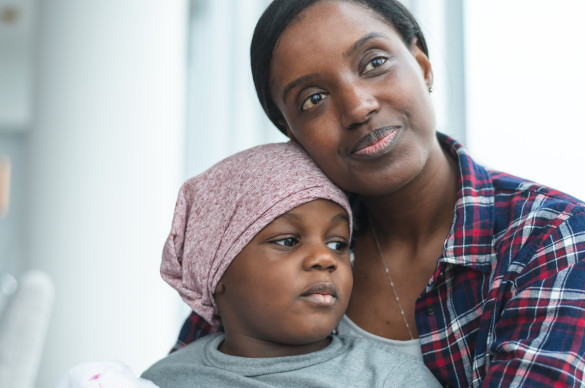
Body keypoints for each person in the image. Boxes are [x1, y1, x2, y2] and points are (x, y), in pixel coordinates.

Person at [173, 0, 585, 387]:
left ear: (423, 65)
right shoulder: (260, 246)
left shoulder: (553, 236)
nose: (357, 106)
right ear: (291, 134)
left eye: (374, 63)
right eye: (314, 99)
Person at [141, 142, 440, 387]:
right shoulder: (163, 380)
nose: (325, 259)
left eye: (338, 244)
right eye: (288, 241)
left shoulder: (391, 379)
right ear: (215, 270)